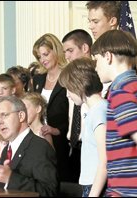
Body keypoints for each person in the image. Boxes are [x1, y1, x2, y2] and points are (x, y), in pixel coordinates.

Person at [91, 29, 137, 197]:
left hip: (127, 191)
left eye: (96, 60)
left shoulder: (121, 93)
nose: (95, 67)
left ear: (108, 56)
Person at [59, 58, 107, 197]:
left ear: (79, 84)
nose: (67, 94)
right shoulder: (94, 111)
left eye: (69, 89)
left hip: (97, 186)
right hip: (91, 184)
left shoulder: (99, 111)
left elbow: (104, 159)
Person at [86, 1, 137, 95]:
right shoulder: (97, 56)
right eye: (89, 21)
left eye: (95, 21)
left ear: (112, 21)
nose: (90, 26)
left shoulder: (126, 56)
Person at [32, 33, 70, 183]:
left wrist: (57, 130)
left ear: (56, 50)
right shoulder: (37, 78)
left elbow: (74, 113)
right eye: (39, 57)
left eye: (45, 54)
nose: (43, 60)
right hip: (38, 139)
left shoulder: (68, 76)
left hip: (62, 141)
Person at [62, 29, 93, 183]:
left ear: (85, 48)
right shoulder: (69, 76)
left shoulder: (98, 74)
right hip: (72, 148)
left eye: (70, 50)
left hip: (92, 146)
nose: (66, 56)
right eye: (65, 51)